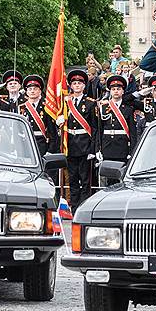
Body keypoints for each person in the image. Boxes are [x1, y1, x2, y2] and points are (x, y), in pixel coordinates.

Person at [63, 69, 97, 211]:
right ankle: (74, 206)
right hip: (70, 144)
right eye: (74, 83)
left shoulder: (90, 103)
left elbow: (94, 128)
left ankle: (83, 206)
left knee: (85, 179)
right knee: (72, 178)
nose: (76, 85)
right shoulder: (65, 103)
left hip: (84, 145)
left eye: (79, 83)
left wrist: (93, 149)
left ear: (84, 86)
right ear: (70, 86)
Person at [95, 75, 137, 163]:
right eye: (113, 89)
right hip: (107, 146)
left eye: (118, 89)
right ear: (110, 91)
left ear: (123, 91)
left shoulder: (128, 109)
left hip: (122, 147)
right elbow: (99, 130)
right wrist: (98, 148)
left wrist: (132, 151)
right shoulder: (103, 108)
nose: (116, 91)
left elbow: (133, 132)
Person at [17, 75, 58, 156]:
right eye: (30, 89)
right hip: (26, 144)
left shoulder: (46, 107)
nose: (32, 91)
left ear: (40, 91)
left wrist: (51, 150)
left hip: (42, 144)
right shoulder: (21, 107)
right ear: (26, 92)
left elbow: (52, 131)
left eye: (35, 89)